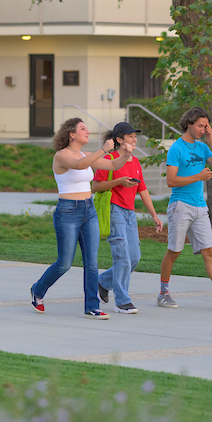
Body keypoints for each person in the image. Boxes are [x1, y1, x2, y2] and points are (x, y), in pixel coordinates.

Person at [30, 118, 128, 319]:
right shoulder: (61, 156)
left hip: (88, 210)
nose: (87, 131)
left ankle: (91, 306)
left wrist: (125, 154)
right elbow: (78, 165)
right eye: (82, 128)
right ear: (71, 134)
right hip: (67, 212)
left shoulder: (86, 155)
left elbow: (112, 165)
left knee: (91, 262)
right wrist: (103, 149)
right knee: (64, 263)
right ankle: (38, 290)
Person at [157, 107, 212, 311]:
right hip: (180, 206)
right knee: (174, 251)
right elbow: (171, 181)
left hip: (200, 207)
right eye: (200, 125)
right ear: (188, 124)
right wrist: (199, 176)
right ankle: (163, 293)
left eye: (206, 126)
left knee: (210, 251)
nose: (203, 129)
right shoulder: (176, 149)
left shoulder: (202, 147)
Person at [93, 121, 163, 314]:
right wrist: (119, 181)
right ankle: (122, 300)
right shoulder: (109, 159)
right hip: (114, 210)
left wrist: (154, 215)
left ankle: (104, 281)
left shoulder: (136, 162)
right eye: (131, 136)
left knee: (134, 257)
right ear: (119, 140)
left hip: (130, 213)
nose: (134, 139)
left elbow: (143, 190)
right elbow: (96, 186)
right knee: (122, 256)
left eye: (135, 136)